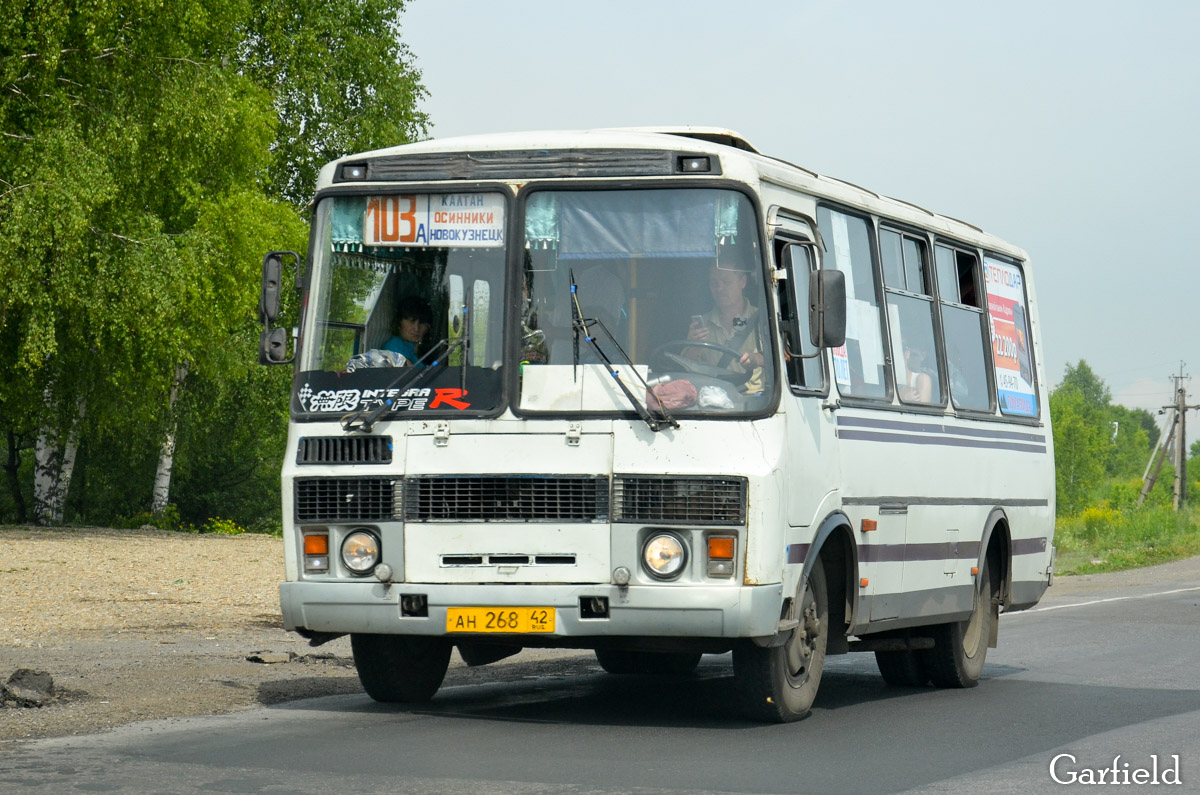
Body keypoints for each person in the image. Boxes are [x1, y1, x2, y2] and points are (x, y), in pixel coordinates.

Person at [685, 265, 766, 394]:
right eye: (714, 283)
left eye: (726, 282)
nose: (719, 288)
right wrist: (694, 346)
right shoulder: (701, 324)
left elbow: (785, 359)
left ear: (743, 282)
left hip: (755, 403)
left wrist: (757, 359)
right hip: (714, 399)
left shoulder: (763, 320)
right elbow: (685, 371)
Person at [383, 296, 432, 365]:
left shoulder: (423, 350)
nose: (416, 328)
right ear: (399, 322)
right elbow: (410, 374)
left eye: (421, 323)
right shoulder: (394, 345)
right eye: (411, 321)